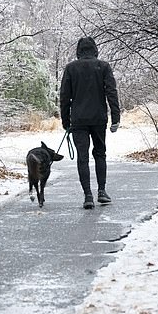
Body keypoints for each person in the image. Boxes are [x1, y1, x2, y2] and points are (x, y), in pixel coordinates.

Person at [60, 36, 120, 209]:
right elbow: (111, 93)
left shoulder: (71, 68)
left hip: (78, 120)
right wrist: (116, 117)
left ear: (79, 50)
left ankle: (87, 195)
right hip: (99, 118)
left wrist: (66, 121)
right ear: (95, 49)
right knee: (100, 154)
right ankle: (102, 191)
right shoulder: (103, 67)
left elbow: (65, 97)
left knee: (83, 158)